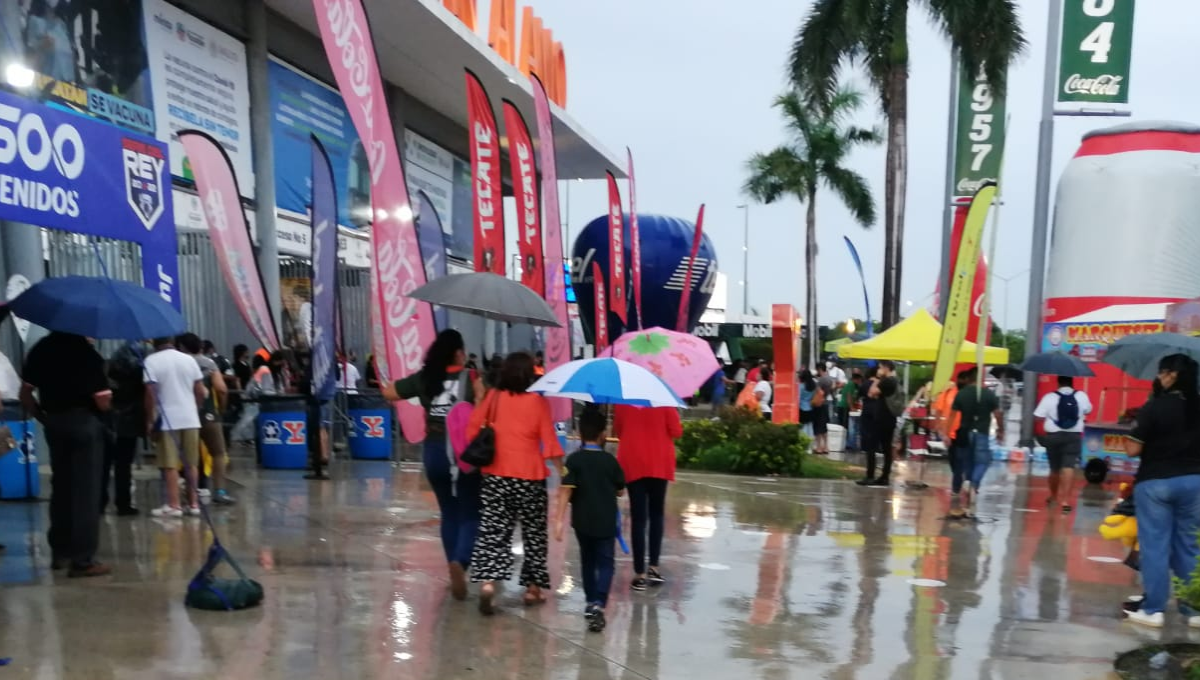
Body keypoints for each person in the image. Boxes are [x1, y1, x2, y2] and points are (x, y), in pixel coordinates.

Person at [382, 330, 483, 601]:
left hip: (435, 451)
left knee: (448, 512)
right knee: (471, 513)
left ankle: (453, 565)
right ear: (460, 353)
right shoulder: (470, 377)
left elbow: (389, 392)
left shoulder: (426, 378)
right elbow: (485, 408)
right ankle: (460, 563)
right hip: (463, 453)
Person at [467, 352, 565, 615]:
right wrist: (562, 470)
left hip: (496, 475)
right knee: (534, 534)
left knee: (493, 530)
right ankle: (533, 589)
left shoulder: (494, 397)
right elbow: (550, 444)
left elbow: (472, 429)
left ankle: (488, 584)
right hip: (531, 478)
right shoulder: (538, 403)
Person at [21, 332, 113, 577]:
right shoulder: (88, 355)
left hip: (55, 423)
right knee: (86, 491)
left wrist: (43, 416)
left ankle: (60, 553)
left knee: (61, 486)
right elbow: (102, 400)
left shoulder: (41, 349)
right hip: (84, 423)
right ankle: (82, 561)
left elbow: (25, 393)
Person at [1121, 354, 1200, 628]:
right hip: (1194, 483)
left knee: (1155, 546)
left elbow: (1132, 448)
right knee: (1188, 546)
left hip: (1155, 483)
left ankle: (1154, 608)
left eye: (1161, 372)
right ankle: (1193, 610)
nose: (1158, 377)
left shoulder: (1155, 407)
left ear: (1171, 375)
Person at [555, 406, 625, 632]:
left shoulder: (573, 460)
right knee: (605, 562)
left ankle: (589, 600)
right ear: (603, 434)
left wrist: (558, 520)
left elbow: (566, 490)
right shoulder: (610, 461)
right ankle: (599, 604)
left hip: (582, 522)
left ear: (579, 432)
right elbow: (620, 490)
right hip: (605, 522)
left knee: (587, 560)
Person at [614, 403, 682, 591]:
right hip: (659, 462)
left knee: (638, 517)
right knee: (657, 514)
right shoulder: (664, 401)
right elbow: (677, 431)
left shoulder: (623, 402)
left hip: (633, 461)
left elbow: (619, 431)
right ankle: (653, 566)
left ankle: (639, 574)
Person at [143, 337, 207, 518]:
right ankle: (194, 504)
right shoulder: (189, 360)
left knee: (170, 464)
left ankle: (174, 505)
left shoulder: (151, 361)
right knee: (192, 463)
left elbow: (150, 392)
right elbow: (200, 390)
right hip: (191, 418)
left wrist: (149, 419)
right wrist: (195, 407)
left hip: (168, 419)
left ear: (155, 343)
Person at [179, 334, 235, 505]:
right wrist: (222, 409)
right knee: (218, 453)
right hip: (209, 415)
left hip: (185, 416)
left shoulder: (179, 363)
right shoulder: (209, 363)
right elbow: (222, 389)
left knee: (190, 457)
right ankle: (220, 491)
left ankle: (191, 496)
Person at [1034, 375, 1093, 513]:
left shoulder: (1049, 397)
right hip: (1074, 436)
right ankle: (1066, 501)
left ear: (1058, 382)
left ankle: (1054, 497)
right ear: (1072, 382)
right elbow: (1088, 410)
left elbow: (1038, 417)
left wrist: (1049, 418)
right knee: (1069, 466)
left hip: (1053, 437)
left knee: (1054, 469)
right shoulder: (1081, 396)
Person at [950, 367, 1003, 515]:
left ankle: (968, 483)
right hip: (981, 433)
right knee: (983, 461)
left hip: (964, 433)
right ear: (981, 379)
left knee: (967, 462)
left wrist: (946, 433)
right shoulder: (988, 394)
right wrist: (1000, 430)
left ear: (969, 379)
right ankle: (974, 484)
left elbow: (952, 415)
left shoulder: (961, 394)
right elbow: (998, 414)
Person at [103, 341, 145, 516]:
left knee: (104, 464)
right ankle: (123, 503)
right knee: (123, 465)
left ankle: (100, 502)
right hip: (129, 421)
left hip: (109, 419)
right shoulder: (140, 370)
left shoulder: (109, 368)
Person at [857, 361, 901, 487]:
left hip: (881, 418)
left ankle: (870, 475)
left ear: (886, 368)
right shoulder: (895, 381)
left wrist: (877, 378)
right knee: (886, 448)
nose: (878, 370)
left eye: (881, 367)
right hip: (889, 418)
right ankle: (884, 476)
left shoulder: (887, 381)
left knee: (872, 446)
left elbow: (871, 392)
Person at [799, 369, 817, 437]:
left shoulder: (801, 386)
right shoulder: (813, 386)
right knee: (810, 426)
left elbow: (798, 397)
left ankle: (804, 440)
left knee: (803, 427)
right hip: (810, 407)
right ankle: (810, 441)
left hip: (802, 408)